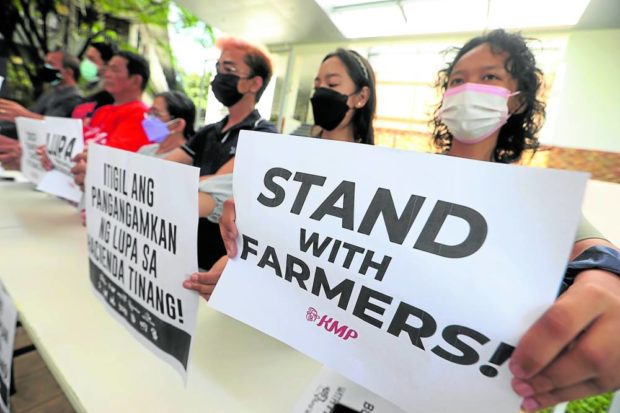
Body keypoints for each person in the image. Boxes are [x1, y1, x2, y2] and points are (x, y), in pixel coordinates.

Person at [428, 29, 620, 412]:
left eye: (490, 77)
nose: (469, 88)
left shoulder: (528, 192)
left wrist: (608, 277)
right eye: (457, 80)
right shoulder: (402, 174)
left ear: (515, 102)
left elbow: (590, 245)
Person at [183, 48, 377, 300]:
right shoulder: (290, 157)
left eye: (332, 84)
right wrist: (239, 255)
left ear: (361, 97)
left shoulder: (371, 174)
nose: (320, 93)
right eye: (317, 84)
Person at [165, 36, 277, 272]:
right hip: (182, 244)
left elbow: (216, 184)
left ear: (254, 83)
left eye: (229, 69)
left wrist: (178, 181)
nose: (219, 76)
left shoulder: (263, 133)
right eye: (218, 68)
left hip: (221, 258)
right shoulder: (208, 131)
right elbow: (165, 167)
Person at [0, 50, 83, 169]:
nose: (45, 68)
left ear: (68, 73)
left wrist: (22, 116)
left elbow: (55, 128)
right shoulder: (50, 93)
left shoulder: (74, 99)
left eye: (50, 64)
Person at [139, 91, 196, 158]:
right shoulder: (144, 151)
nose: (149, 120)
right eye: (150, 113)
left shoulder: (187, 160)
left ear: (178, 124)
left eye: (156, 114)